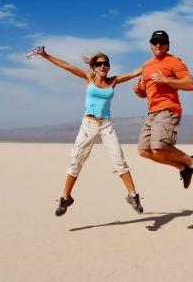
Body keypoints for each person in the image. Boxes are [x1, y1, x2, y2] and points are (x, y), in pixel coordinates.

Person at [36, 47, 144, 216]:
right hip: (88, 125)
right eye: (99, 64)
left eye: (105, 64)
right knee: (76, 161)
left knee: (119, 160)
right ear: (94, 67)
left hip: (106, 125)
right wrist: (45, 55)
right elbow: (66, 66)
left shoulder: (113, 81)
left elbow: (135, 72)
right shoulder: (89, 78)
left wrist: (156, 62)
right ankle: (65, 198)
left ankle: (133, 195)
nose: (102, 67)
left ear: (108, 67)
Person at [133, 30, 193, 188]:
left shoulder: (174, 61)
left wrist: (166, 79)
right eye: (155, 42)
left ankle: (192, 161)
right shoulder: (146, 65)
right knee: (144, 151)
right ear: (151, 45)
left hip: (168, 109)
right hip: (151, 112)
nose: (158, 45)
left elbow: (191, 85)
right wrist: (138, 90)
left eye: (162, 42)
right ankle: (183, 167)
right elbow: (145, 92)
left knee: (159, 149)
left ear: (168, 46)